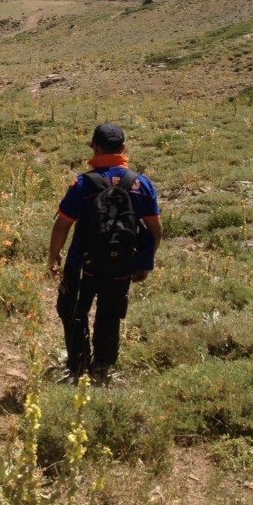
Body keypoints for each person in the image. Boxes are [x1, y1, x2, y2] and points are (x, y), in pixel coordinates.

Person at [47, 123, 162, 383]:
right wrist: (144, 263)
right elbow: (156, 231)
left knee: (73, 310)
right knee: (110, 314)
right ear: (124, 148)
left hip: (81, 265)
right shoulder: (140, 183)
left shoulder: (82, 184)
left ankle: (77, 364)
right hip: (121, 265)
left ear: (94, 147)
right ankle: (102, 365)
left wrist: (54, 256)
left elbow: (62, 224)